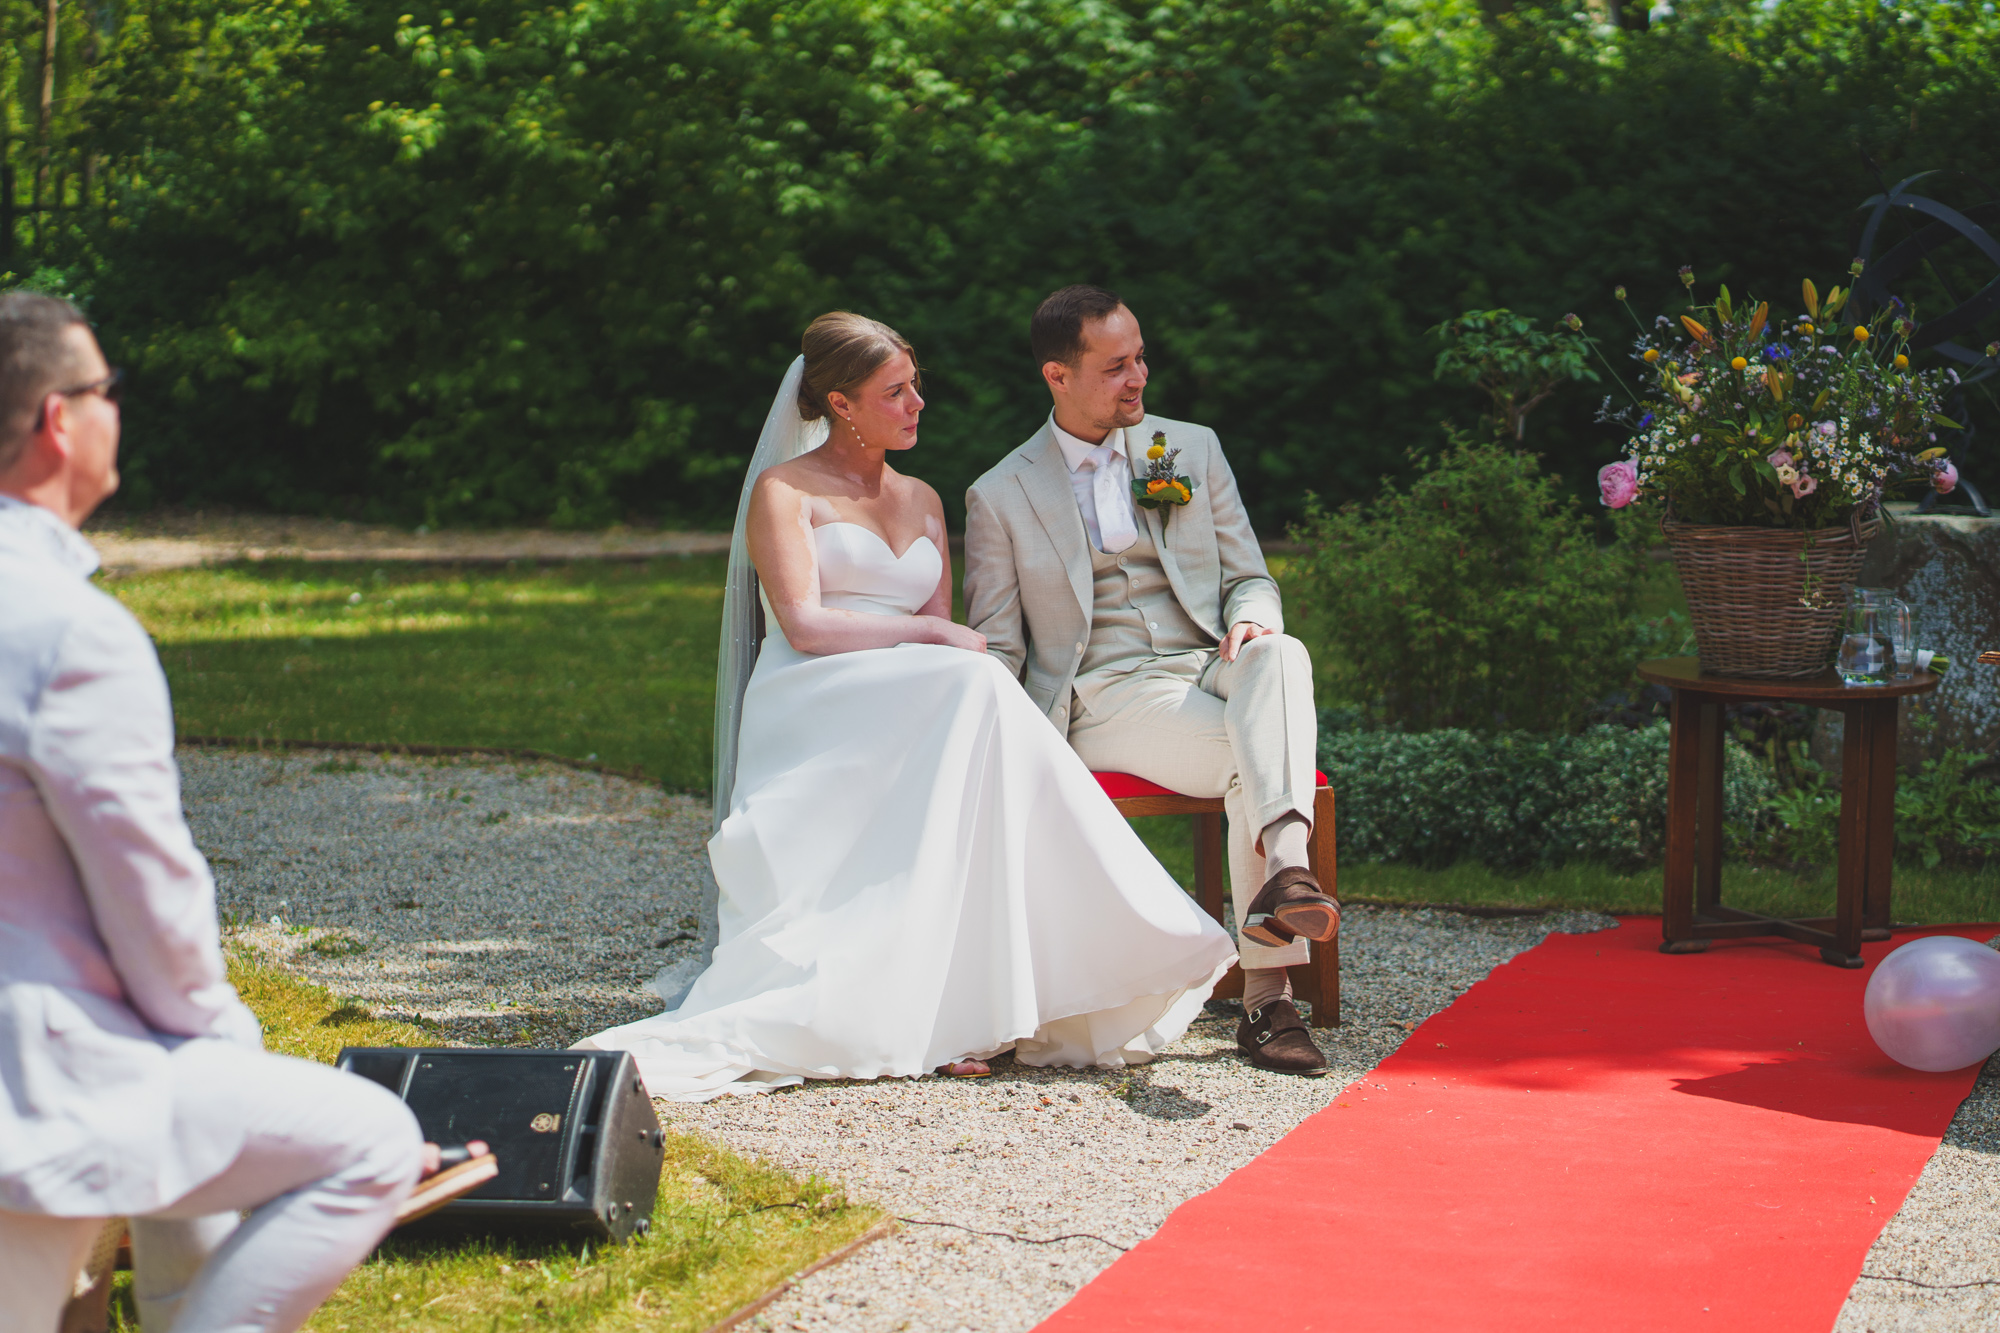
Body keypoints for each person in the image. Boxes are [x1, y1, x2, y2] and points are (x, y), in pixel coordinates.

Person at [578, 312, 1235, 1099]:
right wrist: (925, 631)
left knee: (975, 687)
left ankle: (986, 993)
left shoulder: (922, 498)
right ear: (841, 404)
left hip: (912, 692)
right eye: (895, 392)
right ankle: (1095, 940)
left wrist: (937, 638)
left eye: (915, 385)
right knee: (977, 684)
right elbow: (804, 624)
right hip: (815, 692)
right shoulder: (784, 491)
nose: (918, 402)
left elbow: (945, 637)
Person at [0, 291, 440, 1333]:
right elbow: (149, 896)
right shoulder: (69, 632)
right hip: (37, 1072)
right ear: (61, 419)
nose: (116, 409)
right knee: (372, 1140)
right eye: (109, 387)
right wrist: (225, 1045)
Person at [962, 285, 1338, 1077]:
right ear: (1057, 376)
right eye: (1115, 367)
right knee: (1250, 762)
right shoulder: (999, 494)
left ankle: (1286, 869)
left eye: (1140, 358)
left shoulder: (1190, 448)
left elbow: (1251, 577)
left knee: (1283, 653)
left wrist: (1252, 618)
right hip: (1108, 691)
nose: (1138, 378)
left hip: (1212, 658)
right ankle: (1268, 1000)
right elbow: (998, 646)